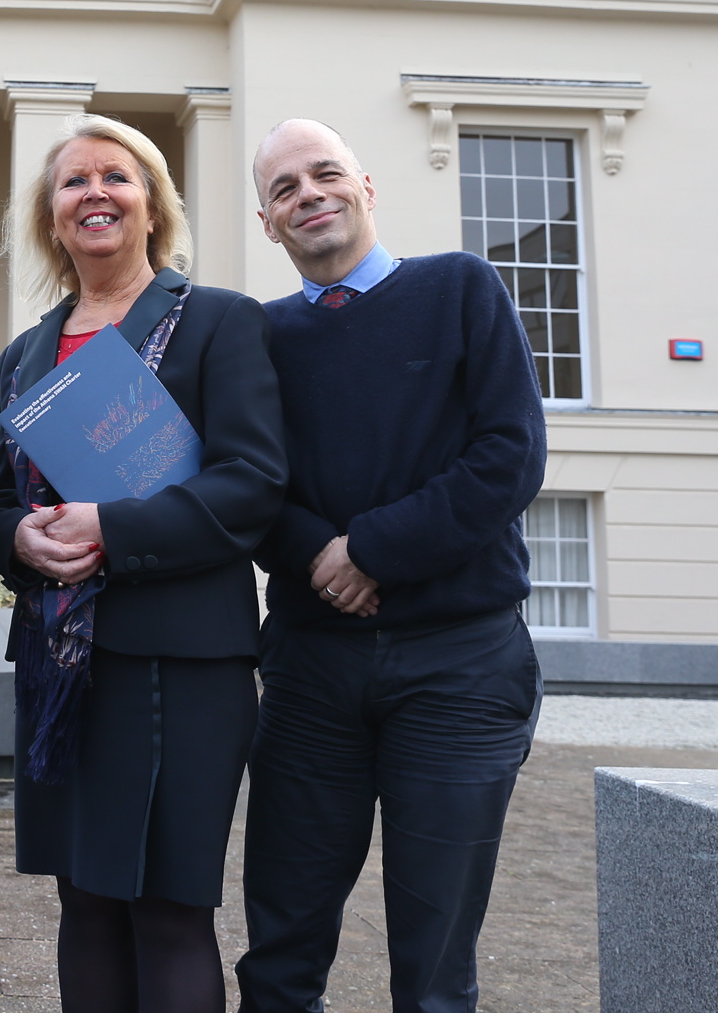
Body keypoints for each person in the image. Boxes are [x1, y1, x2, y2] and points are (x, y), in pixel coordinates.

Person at [234, 118, 548, 1013]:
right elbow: (250, 485)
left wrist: (370, 550)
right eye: (285, 189)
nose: (309, 196)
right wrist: (324, 562)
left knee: (434, 958)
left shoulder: (460, 288)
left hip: (460, 667)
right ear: (268, 223)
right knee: (282, 947)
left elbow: (508, 456)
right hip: (309, 671)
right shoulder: (261, 337)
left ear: (367, 188)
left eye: (325, 174)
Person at [0, 115, 289, 1013]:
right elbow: (1, 499)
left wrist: (111, 528)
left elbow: (253, 483)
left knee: (166, 909)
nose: (95, 194)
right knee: (84, 901)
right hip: (64, 667)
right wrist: (19, 541)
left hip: (182, 667)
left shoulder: (218, 322)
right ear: (51, 215)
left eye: (116, 177)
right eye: (73, 182)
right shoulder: (32, 350)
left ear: (153, 205)